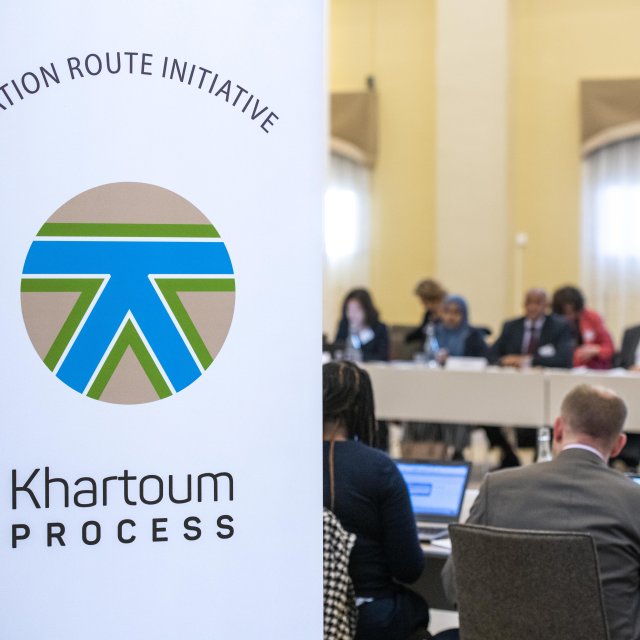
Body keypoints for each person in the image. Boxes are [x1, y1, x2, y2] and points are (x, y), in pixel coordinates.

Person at [442, 385, 640, 640]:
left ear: (558, 429)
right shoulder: (633, 500)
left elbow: (454, 584)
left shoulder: (498, 487)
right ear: (619, 444)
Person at [323, 361, 430, 640]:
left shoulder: (284, 464)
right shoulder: (378, 468)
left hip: (298, 613)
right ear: (362, 409)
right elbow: (408, 569)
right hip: (367, 616)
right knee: (417, 610)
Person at [490, 288, 574, 369]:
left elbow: (564, 359)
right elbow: (491, 355)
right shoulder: (511, 326)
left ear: (546, 305)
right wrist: (504, 361)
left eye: (538, 303)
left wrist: (529, 360)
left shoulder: (559, 326)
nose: (532, 307)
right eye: (529, 302)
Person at [551, 285, 614, 369]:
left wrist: (595, 350)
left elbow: (609, 348)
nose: (570, 317)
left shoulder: (592, 318)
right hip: (561, 368)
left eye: (573, 312)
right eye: (565, 313)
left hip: (591, 369)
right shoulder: (552, 322)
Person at [335, 289, 389, 362]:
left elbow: (382, 357)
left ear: (367, 310)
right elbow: (337, 347)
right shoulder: (344, 325)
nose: (352, 314)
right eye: (349, 310)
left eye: (356, 310)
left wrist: (361, 357)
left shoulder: (379, 328)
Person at [435, 295, 489, 362]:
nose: (450, 317)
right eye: (447, 311)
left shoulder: (473, 335)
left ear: (464, 314)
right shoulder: (435, 332)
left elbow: (485, 359)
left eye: (456, 312)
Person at [405, 279, 447, 346]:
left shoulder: (447, 313)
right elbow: (421, 330)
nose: (423, 305)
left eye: (424, 301)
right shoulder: (428, 314)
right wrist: (406, 338)